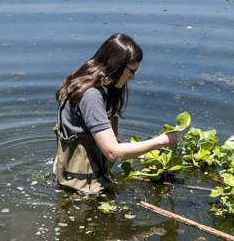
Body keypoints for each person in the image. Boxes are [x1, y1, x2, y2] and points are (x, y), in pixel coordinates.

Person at [54, 32, 183, 195]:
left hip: (69, 178)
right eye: (131, 71)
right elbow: (112, 151)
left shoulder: (80, 83)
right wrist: (161, 141)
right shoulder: (91, 96)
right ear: (116, 66)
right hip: (83, 189)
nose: (133, 77)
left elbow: (98, 136)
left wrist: (142, 154)